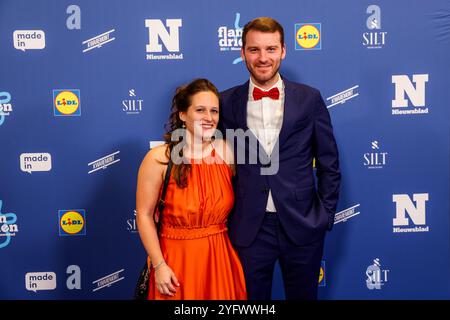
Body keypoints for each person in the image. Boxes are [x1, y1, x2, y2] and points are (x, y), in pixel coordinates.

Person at [220, 17, 341, 300]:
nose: (263, 58)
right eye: (254, 50)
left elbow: (329, 163)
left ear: (283, 50)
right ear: (242, 53)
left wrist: (323, 217)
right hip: (248, 228)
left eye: (271, 49)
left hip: (302, 225)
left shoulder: (309, 99)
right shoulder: (224, 103)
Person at [135, 78, 247, 300]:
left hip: (219, 260)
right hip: (174, 262)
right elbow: (145, 216)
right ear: (183, 115)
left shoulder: (227, 153)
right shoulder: (159, 159)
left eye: (214, 111)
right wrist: (159, 265)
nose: (209, 118)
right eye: (200, 110)